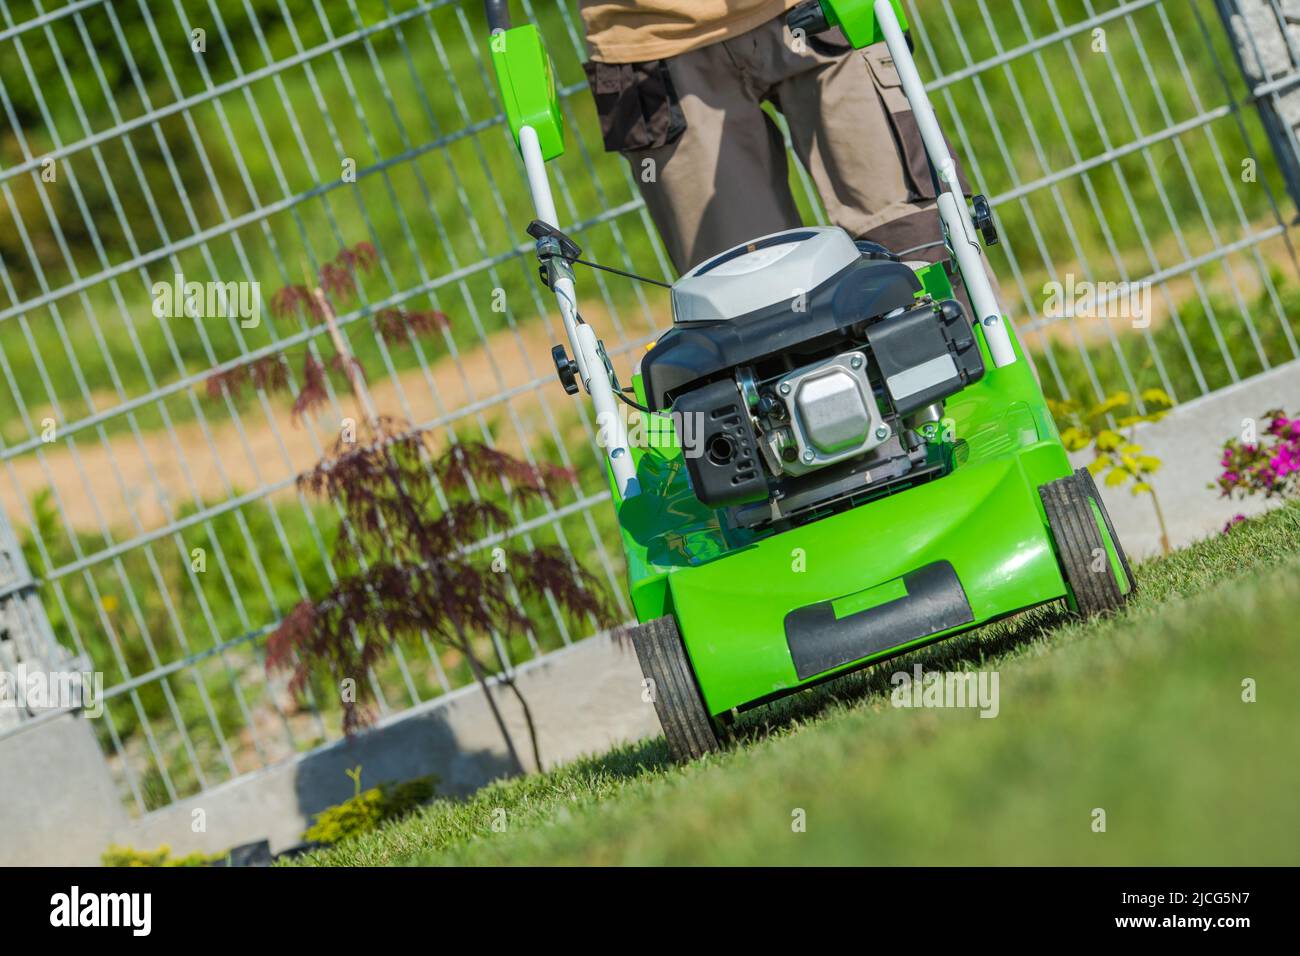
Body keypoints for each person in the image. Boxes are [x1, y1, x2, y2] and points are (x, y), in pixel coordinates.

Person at [579, 0, 970, 276]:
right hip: (644, 44)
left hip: (823, 9)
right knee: (744, 288)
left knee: (918, 242)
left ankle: (969, 376)